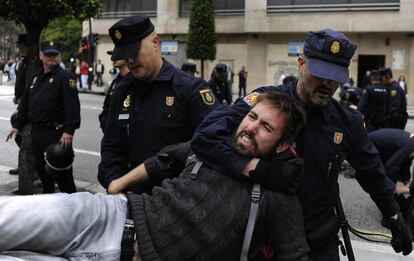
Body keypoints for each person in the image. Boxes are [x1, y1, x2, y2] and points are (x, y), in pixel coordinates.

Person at [0, 92, 310, 261]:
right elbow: (162, 161)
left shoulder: (278, 194)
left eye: (266, 127)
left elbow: (295, 254)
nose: (252, 128)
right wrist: (118, 186)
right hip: (110, 217)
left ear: (282, 144)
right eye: (252, 117)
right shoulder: (212, 145)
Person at [191, 28, 413, 260]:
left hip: (318, 239)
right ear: (301, 64)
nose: (327, 83)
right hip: (262, 240)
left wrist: (394, 214)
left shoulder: (348, 122)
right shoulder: (265, 102)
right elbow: (205, 138)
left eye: (335, 76)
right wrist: (256, 168)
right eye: (320, 73)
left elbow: (371, 171)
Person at [98, 15, 219, 194]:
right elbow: (111, 148)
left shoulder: (189, 89)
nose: (130, 60)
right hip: (132, 198)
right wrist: (116, 183)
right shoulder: (122, 90)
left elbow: (214, 144)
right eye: (125, 54)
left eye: (135, 52)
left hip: (176, 199)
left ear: (155, 42)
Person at [6, 41, 81, 194]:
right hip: (38, 134)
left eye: (55, 54)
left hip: (57, 134)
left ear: (60, 56)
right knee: (43, 173)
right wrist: (17, 124)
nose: (51, 58)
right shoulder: (37, 77)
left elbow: (72, 107)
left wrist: (69, 131)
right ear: (41, 56)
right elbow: (26, 104)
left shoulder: (65, 77)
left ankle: (75, 210)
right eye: (48, 54)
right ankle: (50, 206)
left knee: (63, 177)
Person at [8, 34, 30, 176]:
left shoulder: (32, 62)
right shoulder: (23, 61)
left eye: (20, 45)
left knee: (21, 133)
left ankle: (29, 166)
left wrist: (22, 98)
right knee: (17, 127)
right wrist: (17, 97)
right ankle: (24, 164)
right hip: (22, 101)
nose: (18, 47)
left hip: (28, 103)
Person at [99, 51, 129, 131]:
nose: (113, 58)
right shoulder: (116, 81)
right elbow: (107, 105)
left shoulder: (133, 81)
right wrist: (104, 121)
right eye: (112, 55)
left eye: (117, 54)